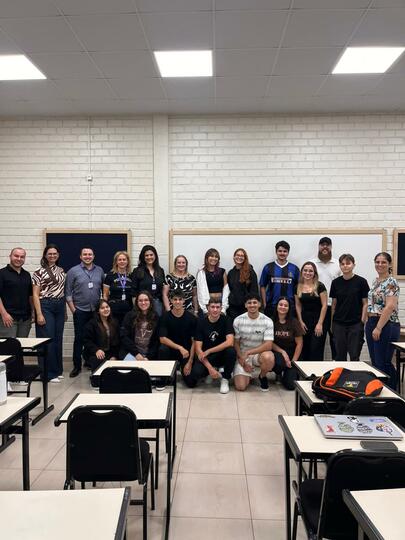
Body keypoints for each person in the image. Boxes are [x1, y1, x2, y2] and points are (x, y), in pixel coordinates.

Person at [65, 247, 104, 378]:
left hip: (95, 311)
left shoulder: (99, 270)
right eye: (85, 254)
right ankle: (76, 366)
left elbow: (103, 290)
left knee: (93, 337)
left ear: (93, 256)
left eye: (90, 254)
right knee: (79, 338)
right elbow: (68, 292)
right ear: (81, 256)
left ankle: (89, 361)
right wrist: (73, 310)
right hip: (80, 310)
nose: (88, 256)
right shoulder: (73, 271)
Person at [365, 252, 400, 389]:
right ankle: (379, 390)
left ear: (389, 264)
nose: (380, 264)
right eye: (377, 262)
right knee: (375, 361)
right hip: (372, 322)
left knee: (383, 361)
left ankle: (391, 391)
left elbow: (390, 306)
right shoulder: (376, 282)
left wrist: (378, 327)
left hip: (386, 324)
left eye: (384, 262)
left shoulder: (391, 282)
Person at [32, 244, 66, 383]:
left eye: (55, 253)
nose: (52, 256)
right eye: (49, 253)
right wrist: (39, 313)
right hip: (45, 305)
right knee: (47, 340)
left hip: (60, 305)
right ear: (45, 255)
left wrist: (64, 311)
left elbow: (62, 291)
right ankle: (48, 374)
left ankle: (57, 370)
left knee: (58, 339)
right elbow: (35, 294)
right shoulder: (38, 272)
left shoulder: (61, 270)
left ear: (58, 255)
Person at [191, 298, 236, 393]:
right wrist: (210, 368)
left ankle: (225, 378)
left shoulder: (226, 320)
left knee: (231, 351)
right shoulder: (201, 322)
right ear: (208, 308)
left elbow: (230, 342)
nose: (215, 310)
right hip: (207, 357)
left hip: (222, 354)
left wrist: (210, 350)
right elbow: (198, 349)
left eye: (217, 307)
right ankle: (212, 370)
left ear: (221, 308)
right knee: (195, 374)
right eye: (212, 307)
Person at [330, 254, 369, 362]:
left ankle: (354, 374)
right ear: (340, 266)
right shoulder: (335, 282)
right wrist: (332, 323)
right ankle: (341, 373)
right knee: (339, 356)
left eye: (348, 263)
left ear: (353, 265)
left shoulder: (361, 282)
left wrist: (362, 322)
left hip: (355, 323)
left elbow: (365, 303)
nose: (345, 266)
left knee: (354, 356)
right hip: (339, 324)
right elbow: (334, 304)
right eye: (342, 264)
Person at [233, 293, 275, 392]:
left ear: (259, 304)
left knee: (269, 357)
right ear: (245, 305)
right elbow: (236, 342)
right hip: (243, 355)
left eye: (255, 302)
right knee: (240, 387)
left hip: (258, 355)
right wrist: (242, 359)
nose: (252, 305)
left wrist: (249, 352)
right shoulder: (238, 320)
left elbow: (269, 345)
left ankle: (262, 376)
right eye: (249, 303)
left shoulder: (267, 321)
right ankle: (248, 374)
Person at [311, 237, 341, 359]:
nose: (325, 247)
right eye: (322, 244)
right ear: (318, 246)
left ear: (331, 247)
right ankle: (318, 368)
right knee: (318, 340)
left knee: (335, 339)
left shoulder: (338, 264)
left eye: (327, 245)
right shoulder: (311, 264)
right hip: (317, 307)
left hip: (334, 307)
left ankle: (337, 365)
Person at [159, 291, 197, 387]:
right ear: (171, 301)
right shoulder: (165, 317)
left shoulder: (192, 318)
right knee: (162, 349)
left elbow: (194, 342)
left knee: (191, 383)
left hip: (186, 353)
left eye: (180, 299)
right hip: (170, 351)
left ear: (184, 301)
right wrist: (180, 347)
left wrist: (190, 362)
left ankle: (181, 367)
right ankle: (164, 376)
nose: (177, 302)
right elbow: (162, 339)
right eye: (175, 299)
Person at [295, 261, 328, 361]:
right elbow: (298, 305)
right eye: (305, 270)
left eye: (310, 271)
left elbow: (324, 305)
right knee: (305, 349)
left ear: (314, 273)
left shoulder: (320, 286)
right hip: (304, 322)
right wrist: (300, 321)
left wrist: (320, 324)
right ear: (302, 272)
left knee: (315, 349)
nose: (307, 273)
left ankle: (317, 371)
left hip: (318, 321)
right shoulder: (298, 287)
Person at [260, 240, 300, 318]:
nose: (282, 253)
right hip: (271, 306)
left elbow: (299, 287)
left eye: (285, 251)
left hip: (289, 307)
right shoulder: (268, 267)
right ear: (276, 252)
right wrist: (264, 303)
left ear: (288, 252)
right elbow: (262, 286)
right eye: (280, 251)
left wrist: (297, 305)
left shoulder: (294, 268)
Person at [0, 247, 33, 338]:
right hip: (8, 318)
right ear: (10, 256)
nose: (19, 259)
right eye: (16, 256)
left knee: (22, 345)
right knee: (9, 345)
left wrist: (33, 312)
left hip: (25, 319)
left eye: (22, 257)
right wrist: (4, 314)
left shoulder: (26, 274)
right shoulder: (2, 273)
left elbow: (30, 295)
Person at [271, 297, 303, 390]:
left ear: (289, 308)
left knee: (291, 386)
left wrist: (293, 361)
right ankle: (278, 373)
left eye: (286, 305)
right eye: (280, 304)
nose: (283, 307)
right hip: (277, 351)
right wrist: (282, 352)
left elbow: (300, 344)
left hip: (292, 353)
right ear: (277, 306)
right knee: (279, 363)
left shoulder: (294, 322)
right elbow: (269, 342)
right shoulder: (271, 321)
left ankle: (288, 373)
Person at [121, 291, 160, 361]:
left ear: (150, 302)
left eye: (146, 300)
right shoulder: (129, 316)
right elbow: (124, 337)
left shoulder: (156, 317)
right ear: (137, 302)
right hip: (132, 353)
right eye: (140, 300)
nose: (143, 303)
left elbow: (156, 341)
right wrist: (136, 354)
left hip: (149, 355)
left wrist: (148, 357)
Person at [83, 299, 120, 372]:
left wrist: (114, 356)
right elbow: (86, 340)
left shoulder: (115, 322)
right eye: (102, 308)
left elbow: (118, 342)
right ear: (98, 311)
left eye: (107, 307)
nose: (105, 309)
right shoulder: (92, 324)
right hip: (96, 352)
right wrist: (96, 350)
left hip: (110, 352)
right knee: (100, 372)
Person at [131, 245, 167, 317]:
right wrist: (136, 308)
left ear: (155, 256)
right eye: (146, 255)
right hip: (143, 304)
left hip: (157, 304)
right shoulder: (137, 271)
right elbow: (133, 292)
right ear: (143, 257)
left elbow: (163, 288)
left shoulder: (160, 271)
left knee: (157, 323)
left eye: (151, 255)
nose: (149, 257)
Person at [103, 251, 134, 326]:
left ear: (127, 261)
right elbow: (105, 295)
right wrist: (105, 309)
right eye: (119, 260)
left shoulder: (132, 275)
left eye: (124, 259)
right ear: (116, 262)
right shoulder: (110, 275)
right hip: (114, 309)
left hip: (128, 309)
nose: (122, 261)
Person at [227, 248, 259, 321]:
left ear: (245, 258)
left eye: (242, 256)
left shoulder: (250, 272)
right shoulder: (231, 273)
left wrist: (251, 306)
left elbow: (254, 291)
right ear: (234, 257)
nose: (239, 257)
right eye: (237, 255)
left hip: (246, 308)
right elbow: (229, 290)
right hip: (232, 309)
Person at [196, 248, 229, 315]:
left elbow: (226, 289)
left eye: (216, 257)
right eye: (211, 256)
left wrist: (224, 307)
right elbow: (199, 292)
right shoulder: (201, 272)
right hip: (207, 304)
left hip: (220, 303)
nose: (214, 258)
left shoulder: (222, 271)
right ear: (207, 258)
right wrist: (204, 309)